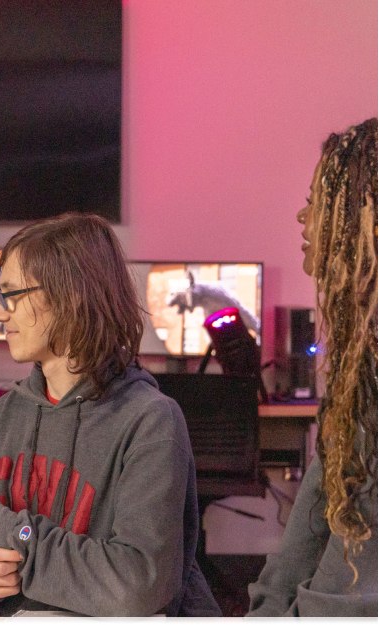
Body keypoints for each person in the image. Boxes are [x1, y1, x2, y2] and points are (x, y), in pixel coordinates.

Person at [0, 213, 220, 616]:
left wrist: (2, 526)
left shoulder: (151, 421)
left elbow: (137, 587)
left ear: (69, 297)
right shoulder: (5, 416)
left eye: (12, 295)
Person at [248, 118, 376, 617]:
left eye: (318, 202)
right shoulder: (357, 363)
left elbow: (353, 583)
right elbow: (314, 524)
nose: (303, 217)